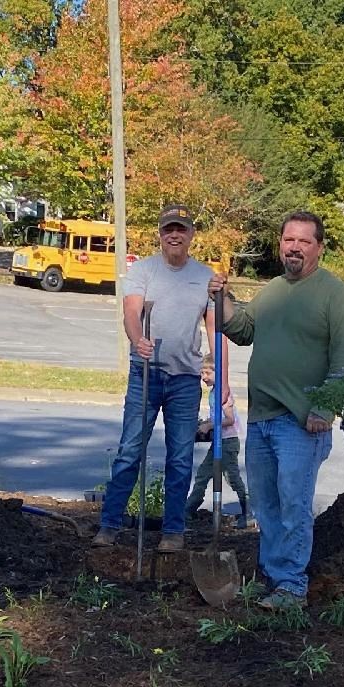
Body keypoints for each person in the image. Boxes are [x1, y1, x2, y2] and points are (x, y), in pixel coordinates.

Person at [209, 211, 344, 608]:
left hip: (301, 422)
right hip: (261, 419)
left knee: (294, 504)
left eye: (304, 241)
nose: (294, 247)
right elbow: (240, 330)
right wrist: (221, 299)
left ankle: (292, 585)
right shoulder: (273, 289)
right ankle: (274, 578)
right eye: (288, 240)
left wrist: (324, 409)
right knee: (267, 504)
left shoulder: (336, 294)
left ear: (319, 248)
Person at [92, 203, 217, 553]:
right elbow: (131, 310)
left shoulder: (205, 276)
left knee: (179, 456)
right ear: (160, 235)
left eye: (180, 229)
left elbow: (212, 325)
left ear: (191, 234)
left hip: (185, 380)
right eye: (168, 230)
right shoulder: (143, 271)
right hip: (145, 374)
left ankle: (173, 532)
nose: (174, 235)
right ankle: (110, 525)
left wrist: (216, 366)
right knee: (130, 450)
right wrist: (137, 339)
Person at [185, 377, 252, 528]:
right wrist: (205, 424)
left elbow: (230, 419)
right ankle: (188, 510)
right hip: (218, 442)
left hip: (228, 443)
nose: (204, 376)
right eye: (202, 372)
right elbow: (218, 417)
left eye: (208, 372)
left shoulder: (223, 393)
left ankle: (248, 512)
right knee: (203, 474)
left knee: (232, 478)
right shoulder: (213, 393)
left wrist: (209, 425)